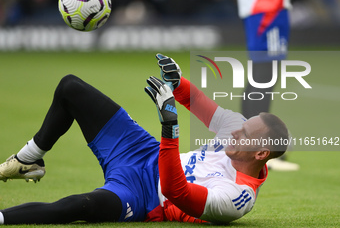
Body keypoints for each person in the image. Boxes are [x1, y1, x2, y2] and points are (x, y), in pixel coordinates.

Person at [0, 54, 289, 225]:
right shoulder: (236, 128)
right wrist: (178, 82)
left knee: (81, 205)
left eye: (246, 133)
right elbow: (197, 100)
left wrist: (170, 127)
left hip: (146, 197)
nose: (236, 130)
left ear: (261, 153)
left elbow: (176, 192)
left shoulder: (238, 198)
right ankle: (29, 158)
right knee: (71, 88)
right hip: (144, 152)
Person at [237, 0, 322, 170]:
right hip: (266, 4)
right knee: (264, 75)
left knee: (264, 74)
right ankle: (260, 147)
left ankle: (254, 144)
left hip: (267, 4)